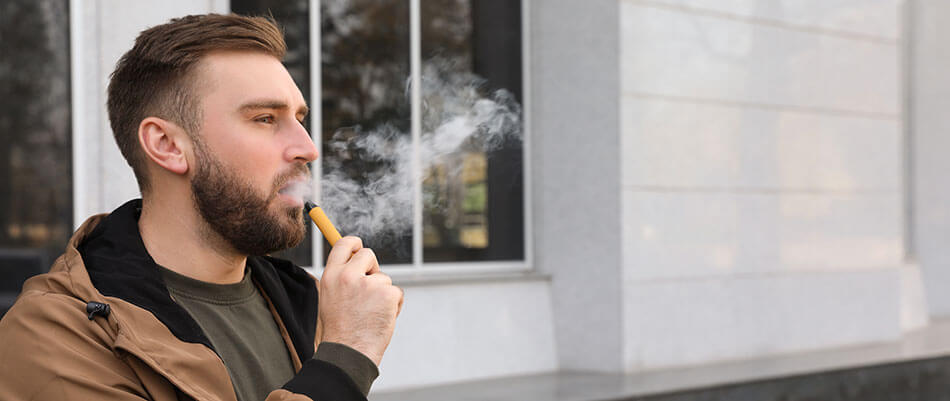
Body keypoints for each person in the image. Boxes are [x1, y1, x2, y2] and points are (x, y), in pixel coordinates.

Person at [0, 13, 403, 401]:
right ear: (167, 145)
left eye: (299, 118)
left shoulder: (310, 304)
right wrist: (345, 359)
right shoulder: (56, 337)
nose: (307, 148)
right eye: (265, 118)